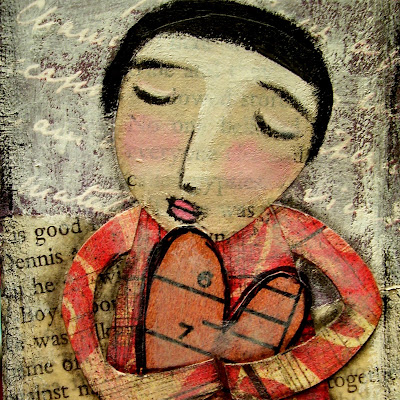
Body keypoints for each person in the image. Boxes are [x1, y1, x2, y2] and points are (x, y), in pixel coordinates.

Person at [62, 1, 382, 399]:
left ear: (306, 154)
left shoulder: (289, 230)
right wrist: (113, 385)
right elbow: (77, 292)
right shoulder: (130, 229)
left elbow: (364, 305)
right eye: (158, 96)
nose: (194, 176)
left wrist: (269, 378)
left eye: (272, 127)